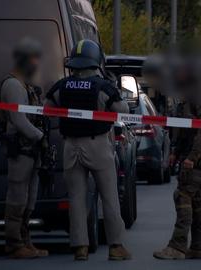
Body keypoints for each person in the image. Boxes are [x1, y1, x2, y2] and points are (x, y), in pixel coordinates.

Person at [45, 39, 131, 261]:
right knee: (109, 197)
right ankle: (116, 246)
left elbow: (47, 109)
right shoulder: (103, 87)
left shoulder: (61, 86)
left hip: (71, 146)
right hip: (98, 145)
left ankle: (80, 247)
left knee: (76, 198)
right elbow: (122, 109)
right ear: (95, 62)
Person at [0, 37, 49, 259]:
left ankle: (25, 240)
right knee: (17, 197)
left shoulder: (25, 85)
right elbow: (18, 120)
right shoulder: (13, 85)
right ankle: (14, 242)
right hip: (21, 149)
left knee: (29, 198)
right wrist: (40, 137)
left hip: (31, 150)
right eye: (34, 59)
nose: (37, 64)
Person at [153, 102, 201, 260]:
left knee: (183, 195)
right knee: (195, 200)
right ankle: (199, 246)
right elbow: (184, 128)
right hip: (189, 154)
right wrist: (177, 151)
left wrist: (192, 156)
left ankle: (177, 246)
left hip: (197, 156)